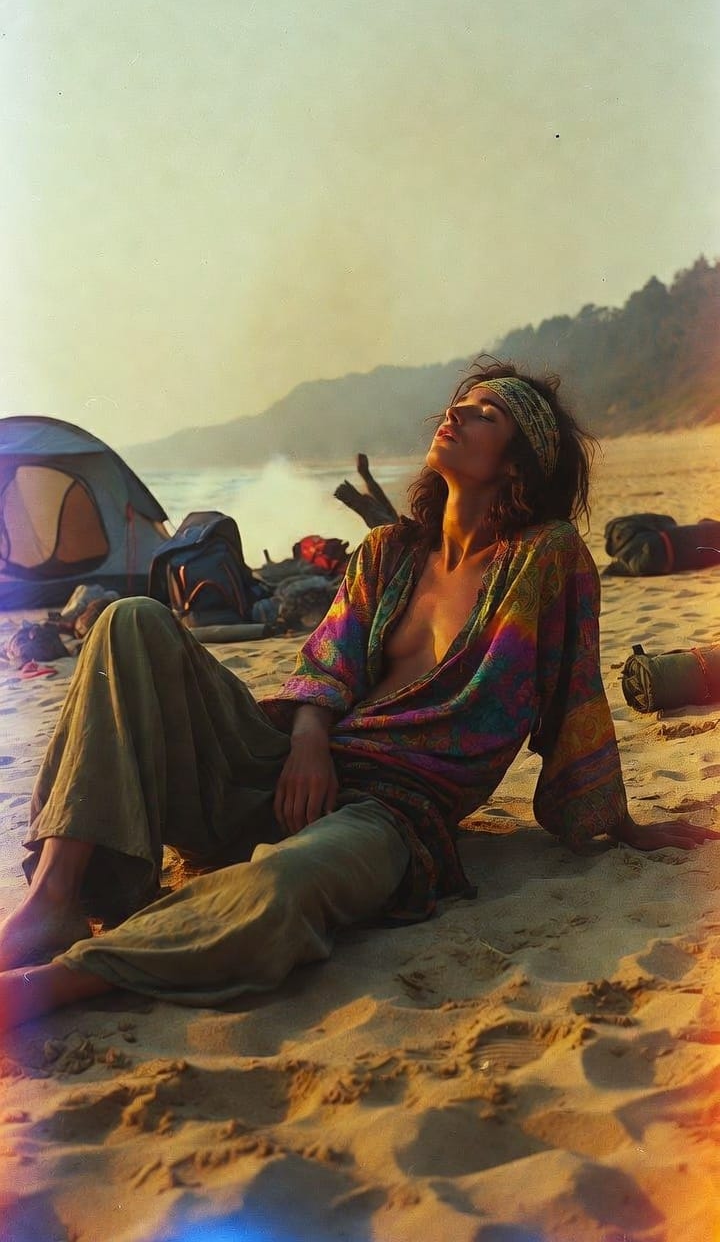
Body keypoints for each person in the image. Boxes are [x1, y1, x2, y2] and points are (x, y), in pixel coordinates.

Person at [1, 360, 716, 1031]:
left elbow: (576, 690)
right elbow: (328, 660)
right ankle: (55, 897)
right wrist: (308, 741)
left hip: (392, 810)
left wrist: (618, 820)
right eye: (459, 405)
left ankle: (63, 980)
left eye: (485, 415)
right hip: (285, 774)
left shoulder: (545, 557)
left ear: (517, 461)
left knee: (282, 889)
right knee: (131, 620)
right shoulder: (386, 552)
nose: (456, 415)